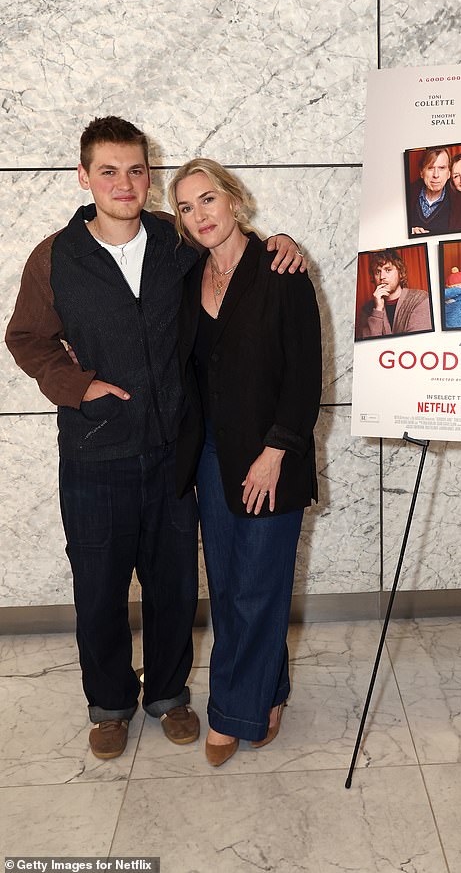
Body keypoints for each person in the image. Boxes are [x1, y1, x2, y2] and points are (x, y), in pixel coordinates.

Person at [5, 116, 303, 760]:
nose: (123, 182)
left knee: (173, 587)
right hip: (95, 453)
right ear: (83, 177)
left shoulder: (175, 243)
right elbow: (25, 338)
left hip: (175, 453)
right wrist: (76, 385)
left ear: (150, 177)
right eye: (107, 170)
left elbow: (233, 250)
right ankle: (109, 703)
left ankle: (168, 694)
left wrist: (278, 241)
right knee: (100, 587)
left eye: (136, 169)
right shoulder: (55, 255)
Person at [169, 158, 322, 767]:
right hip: (208, 451)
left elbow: (304, 375)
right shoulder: (187, 277)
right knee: (233, 583)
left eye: (208, 199)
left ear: (235, 200)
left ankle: (234, 711)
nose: (199, 215)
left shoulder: (280, 270)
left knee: (258, 586)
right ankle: (271, 689)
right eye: (185, 207)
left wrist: (276, 450)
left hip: (270, 455)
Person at [359, 249, 431, 338]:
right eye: (378, 272)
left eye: (388, 270)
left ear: (400, 273)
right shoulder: (367, 309)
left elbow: (418, 341)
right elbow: (367, 347)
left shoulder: (420, 299)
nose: (382, 277)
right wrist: (378, 310)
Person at [408, 147, 461, 235]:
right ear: (421, 172)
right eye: (430, 168)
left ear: (449, 173)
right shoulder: (406, 195)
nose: (436, 175)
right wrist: (407, 233)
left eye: (442, 168)